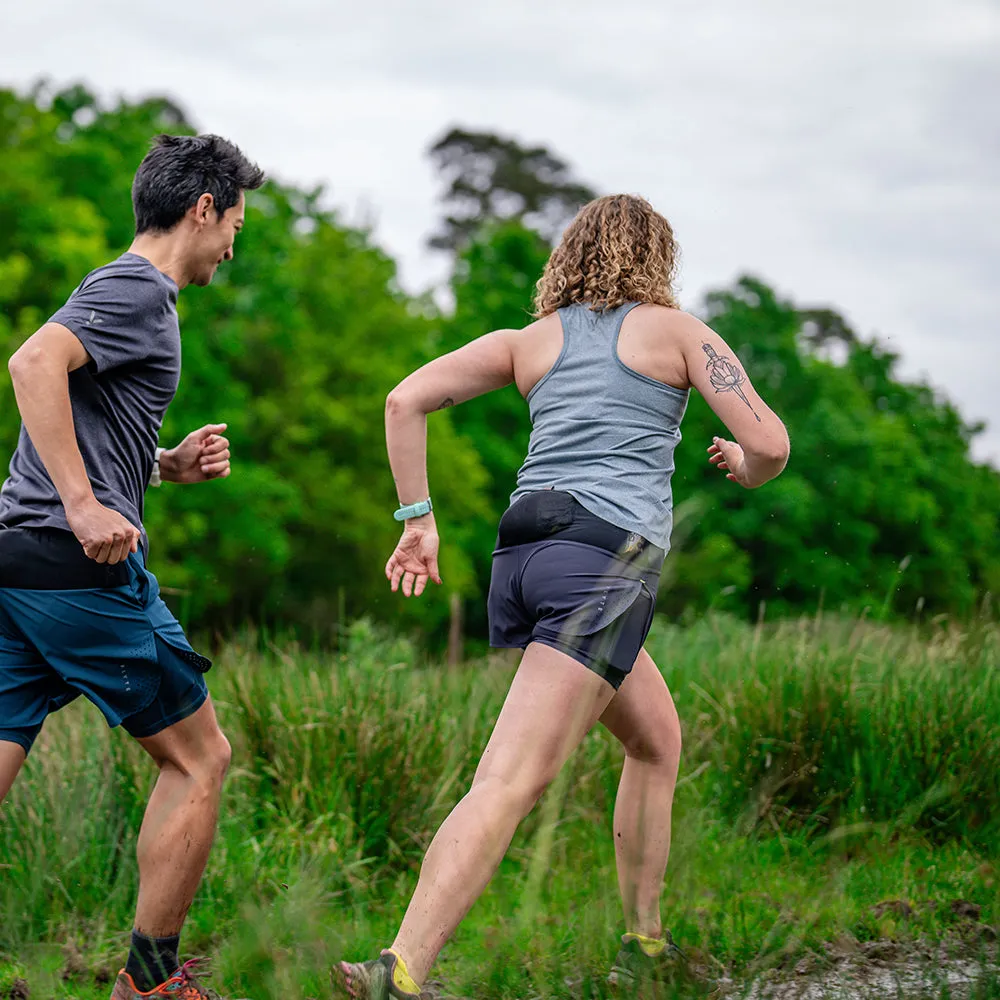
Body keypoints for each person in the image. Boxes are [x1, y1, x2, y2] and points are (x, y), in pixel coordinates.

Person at [338, 194, 790, 998]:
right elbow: (771, 444)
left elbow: (402, 400)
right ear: (657, 258)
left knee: (655, 740)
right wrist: (742, 466)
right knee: (509, 781)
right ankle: (399, 968)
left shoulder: (529, 341)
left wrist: (418, 519)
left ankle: (644, 945)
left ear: (569, 255)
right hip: (601, 564)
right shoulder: (678, 332)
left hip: (524, 556)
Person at [0, 134, 264, 1000]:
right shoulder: (138, 288)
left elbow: (82, 414)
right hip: (75, 570)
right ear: (203, 209)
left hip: (20, 563)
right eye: (235, 222)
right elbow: (32, 363)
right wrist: (83, 506)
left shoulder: (119, 290)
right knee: (200, 759)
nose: (234, 243)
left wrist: (162, 466)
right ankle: (150, 985)